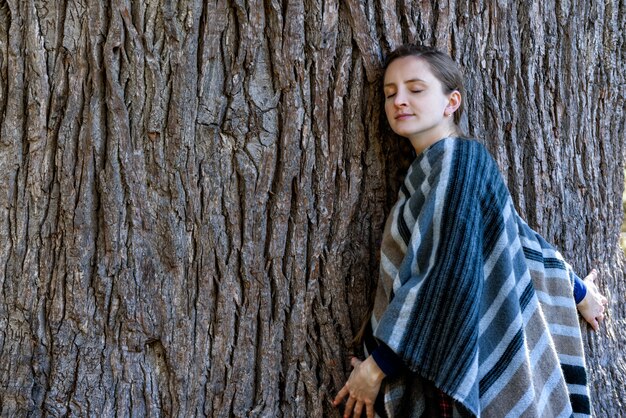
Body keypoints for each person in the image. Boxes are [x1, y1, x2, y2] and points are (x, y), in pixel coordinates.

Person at [332, 45, 608, 418]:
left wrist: (378, 366)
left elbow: (448, 274)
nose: (399, 100)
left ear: (451, 102)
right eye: (390, 92)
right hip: (448, 358)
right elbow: (515, 238)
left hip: (460, 370)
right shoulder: (438, 167)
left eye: (415, 89)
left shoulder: (457, 161)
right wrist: (576, 291)